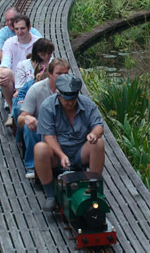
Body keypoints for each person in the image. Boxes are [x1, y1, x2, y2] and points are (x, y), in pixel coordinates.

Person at [34, 74, 105, 211]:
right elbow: (49, 137)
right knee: (39, 148)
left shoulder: (87, 104)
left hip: (79, 152)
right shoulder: (47, 107)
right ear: (58, 94)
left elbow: (98, 126)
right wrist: (61, 155)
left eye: (73, 99)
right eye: (66, 99)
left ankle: (93, 189)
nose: (70, 103)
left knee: (98, 143)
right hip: (56, 153)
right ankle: (50, 196)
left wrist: (93, 134)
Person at [17, 58, 70, 179]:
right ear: (50, 74)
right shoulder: (36, 89)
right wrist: (27, 118)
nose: (63, 77)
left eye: (65, 74)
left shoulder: (70, 89)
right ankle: (32, 165)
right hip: (40, 127)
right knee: (28, 127)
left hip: (61, 127)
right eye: (59, 74)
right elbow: (20, 118)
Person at [0, 14, 40, 126]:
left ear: (29, 28)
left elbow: (49, 63)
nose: (19, 32)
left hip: (35, 79)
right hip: (17, 79)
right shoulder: (10, 42)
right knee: (4, 74)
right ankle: (11, 111)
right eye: (17, 29)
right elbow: (5, 62)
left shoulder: (39, 42)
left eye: (22, 28)